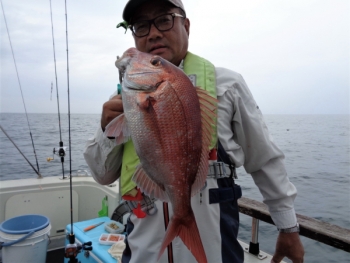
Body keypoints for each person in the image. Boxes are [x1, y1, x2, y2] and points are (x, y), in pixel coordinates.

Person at [84, 0, 305, 262]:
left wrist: (288, 227)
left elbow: (264, 159)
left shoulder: (227, 85)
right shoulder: (121, 101)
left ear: (185, 25)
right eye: (141, 26)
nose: (153, 33)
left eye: (165, 19)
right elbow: (101, 175)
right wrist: (105, 129)